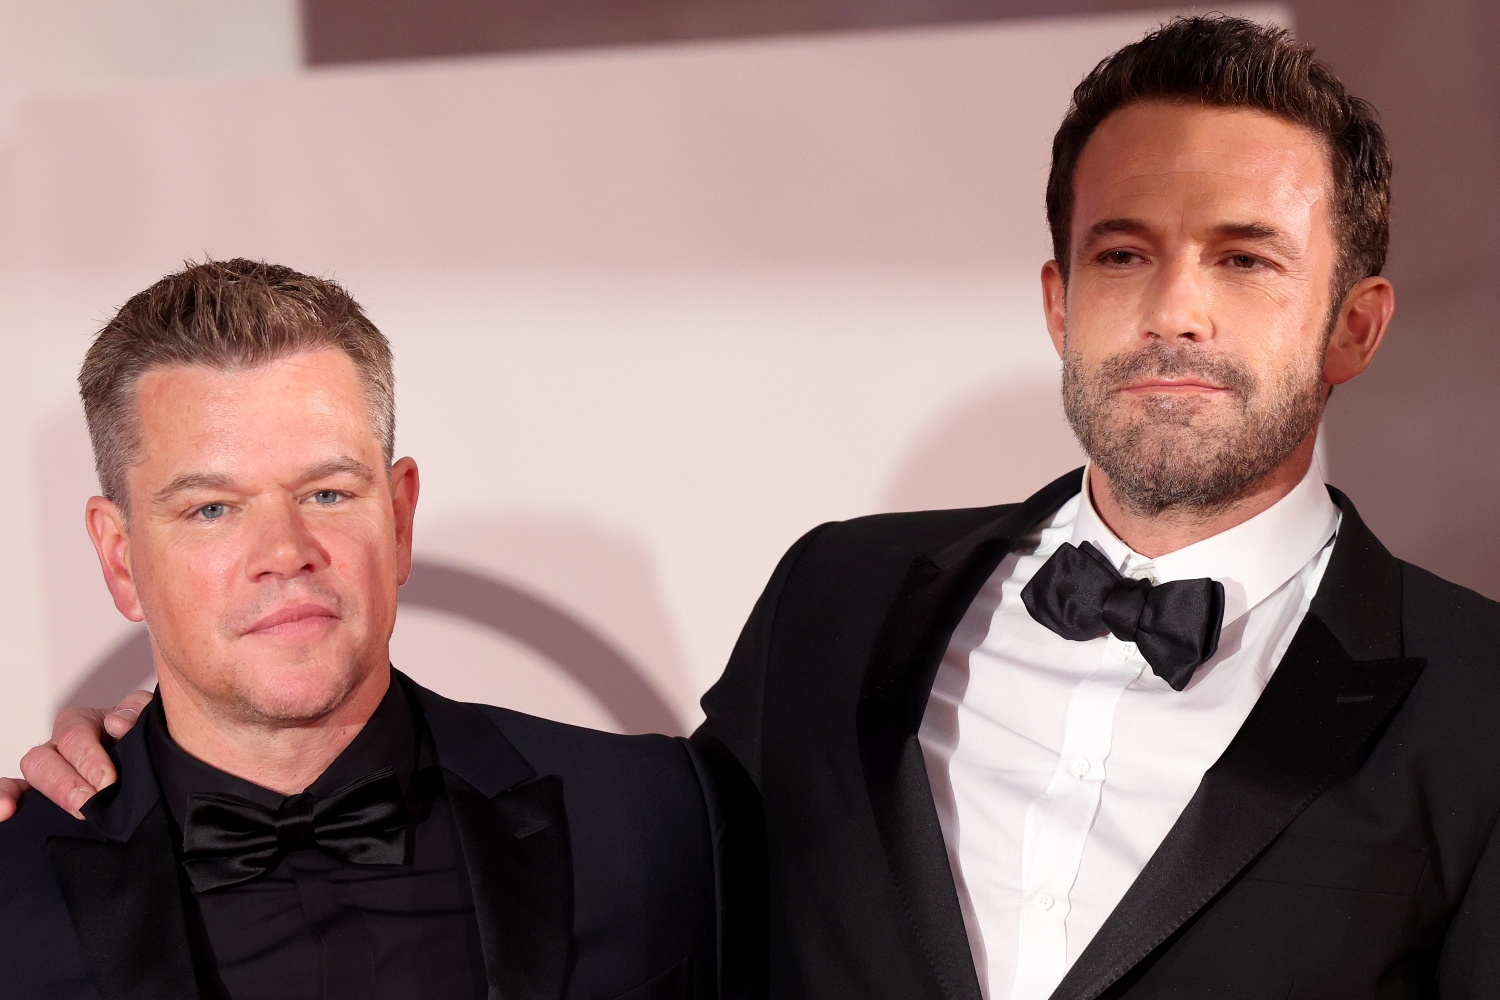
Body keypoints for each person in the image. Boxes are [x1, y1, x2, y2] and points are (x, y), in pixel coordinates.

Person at [14, 13, 1500, 999]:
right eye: (1123, 254)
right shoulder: (840, 607)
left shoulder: (1481, 708)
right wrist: (116, 777)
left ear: (1356, 325)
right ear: (1057, 299)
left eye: (1245, 258)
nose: (1174, 311)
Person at [0, 260, 720, 1000]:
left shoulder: (656, 817)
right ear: (121, 560)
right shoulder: (11, 891)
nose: (285, 551)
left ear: (400, 517)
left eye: (327, 492)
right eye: (212, 508)